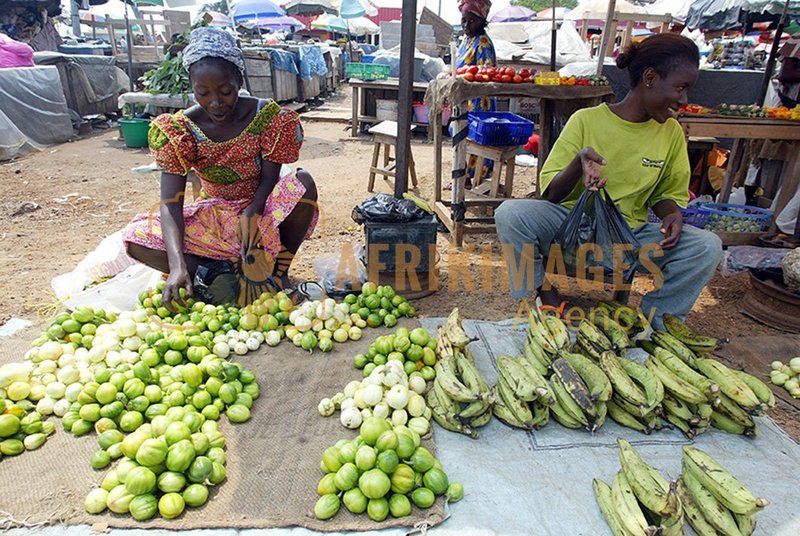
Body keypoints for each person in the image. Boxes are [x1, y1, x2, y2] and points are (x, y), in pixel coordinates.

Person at [494, 33, 723, 328]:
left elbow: (665, 194)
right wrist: (578, 163)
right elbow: (550, 194)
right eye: (681, 88)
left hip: (631, 238)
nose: (684, 99)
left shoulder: (671, 134)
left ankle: (659, 323)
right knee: (511, 214)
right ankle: (542, 295)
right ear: (650, 78)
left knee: (706, 246)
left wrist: (672, 215)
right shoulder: (586, 120)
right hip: (571, 230)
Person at [123, 27, 318, 311]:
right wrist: (176, 265)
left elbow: (270, 178)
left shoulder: (270, 118)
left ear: (239, 80)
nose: (215, 102)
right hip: (214, 215)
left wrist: (253, 211)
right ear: (192, 89)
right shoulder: (180, 130)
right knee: (135, 239)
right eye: (203, 93)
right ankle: (213, 274)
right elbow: (170, 204)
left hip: (260, 208)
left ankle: (278, 275)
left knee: (304, 183)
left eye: (225, 92)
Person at [456, 0, 496, 186]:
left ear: (482, 21)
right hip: (465, 100)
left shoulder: (483, 43)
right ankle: (463, 175)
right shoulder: (467, 41)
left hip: (480, 103)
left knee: (475, 138)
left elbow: (487, 75)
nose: (466, 25)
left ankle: (475, 177)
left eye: (471, 21)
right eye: (464, 21)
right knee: (460, 134)